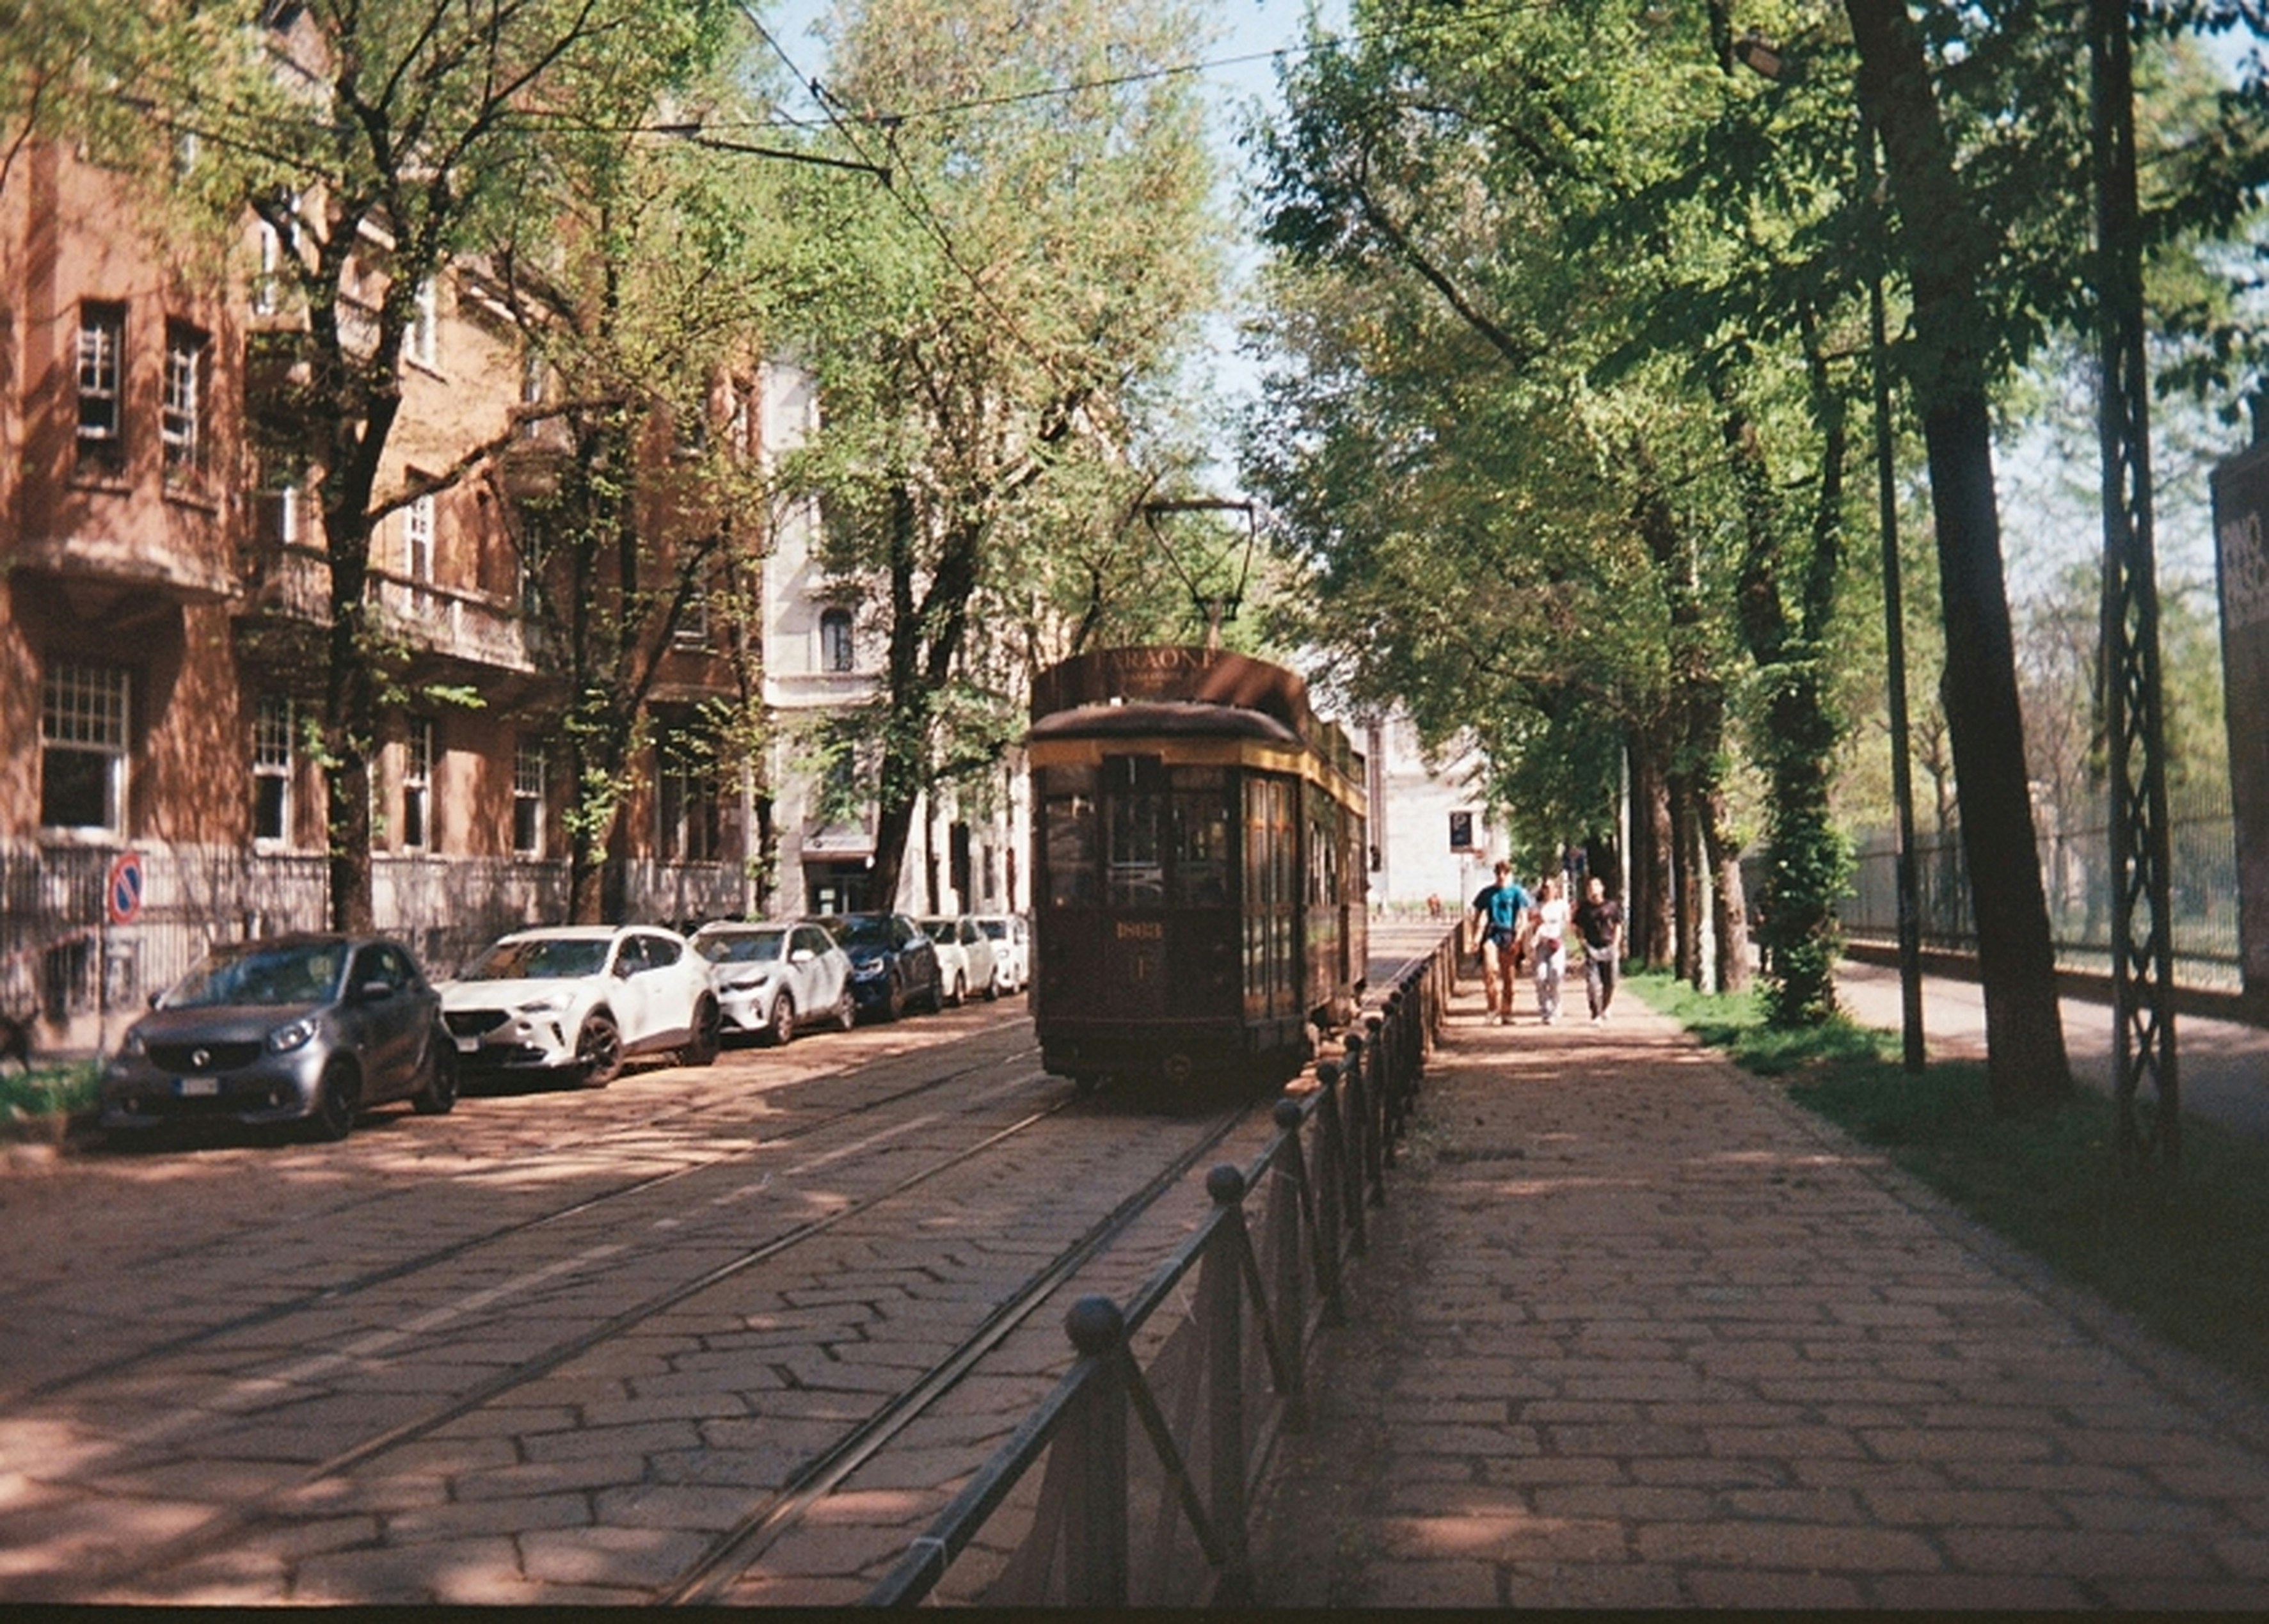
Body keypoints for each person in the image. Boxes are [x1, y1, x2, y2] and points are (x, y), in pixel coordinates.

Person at [1468, 859, 1534, 1024]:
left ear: (1509, 874)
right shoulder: (1487, 893)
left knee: (1508, 977)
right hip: (1492, 933)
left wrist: (1519, 938)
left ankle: (1507, 1011)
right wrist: (1475, 937)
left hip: (1509, 934)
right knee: (1490, 971)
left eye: (1505, 872)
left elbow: (1523, 917)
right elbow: (1476, 915)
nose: (1501, 876)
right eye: (1498, 873)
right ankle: (1492, 1008)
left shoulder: (1516, 893)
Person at [1575, 874, 1625, 1024]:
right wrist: (1582, 942)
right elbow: (1577, 927)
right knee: (1592, 983)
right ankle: (1595, 1013)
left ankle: (1606, 1006)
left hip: (1609, 946)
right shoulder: (1584, 909)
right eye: (1590, 887)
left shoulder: (1612, 906)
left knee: (1610, 981)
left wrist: (1616, 944)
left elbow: (1618, 925)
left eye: (1596, 886)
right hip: (1592, 948)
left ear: (1602, 888)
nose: (1593, 890)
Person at [1531, 875, 1568, 1024]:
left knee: (1556, 974)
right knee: (1541, 977)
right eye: (1545, 888)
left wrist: (1562, 936)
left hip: (1557, 945)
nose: (1548, 890)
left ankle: (1556, 1003)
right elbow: (1531, 924)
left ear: (1556, 889)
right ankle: (1545, 1010)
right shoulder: (1537, 907)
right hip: (1542, 945)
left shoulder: (1562, 906)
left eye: (1551, 887)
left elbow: (1568, 924)